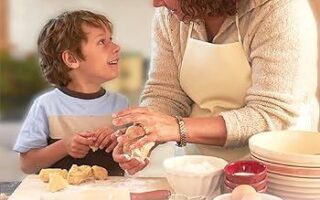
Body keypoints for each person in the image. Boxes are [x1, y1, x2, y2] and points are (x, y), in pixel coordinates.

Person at [112, 0, 319, 175]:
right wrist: (142, 135)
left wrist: (178, 128)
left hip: (274, 170)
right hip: (198, 168)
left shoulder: (279, 10)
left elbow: (272, 114)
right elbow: (166, 93)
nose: (155, 3)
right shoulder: (170, 14)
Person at [13, 10, 128, 176]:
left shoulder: (121, 105)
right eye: (102, 42)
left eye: (111, 39)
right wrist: (64, 146)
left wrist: (118, 140)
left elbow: (133, 155)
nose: (116, 47)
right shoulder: (46, 105)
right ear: (72, 59)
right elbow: (27, 164)